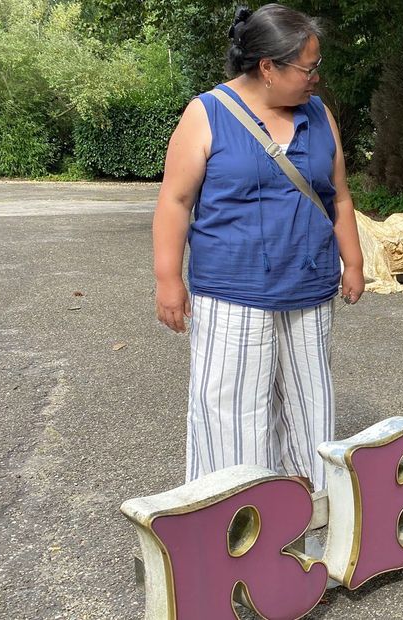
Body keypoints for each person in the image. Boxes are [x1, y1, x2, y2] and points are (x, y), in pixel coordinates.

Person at [152, 4, 363, 492]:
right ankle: (234, 512)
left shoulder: (319, 114)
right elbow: (176, 200)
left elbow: (340, 196)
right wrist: (168, 279)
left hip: (308, 290)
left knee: (310, 402)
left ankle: (312, 504)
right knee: (233, 410)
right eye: (308, 68)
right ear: (268, 67)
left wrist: (352, 262)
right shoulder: (207, 113)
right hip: (231, 291)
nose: (315, 78)